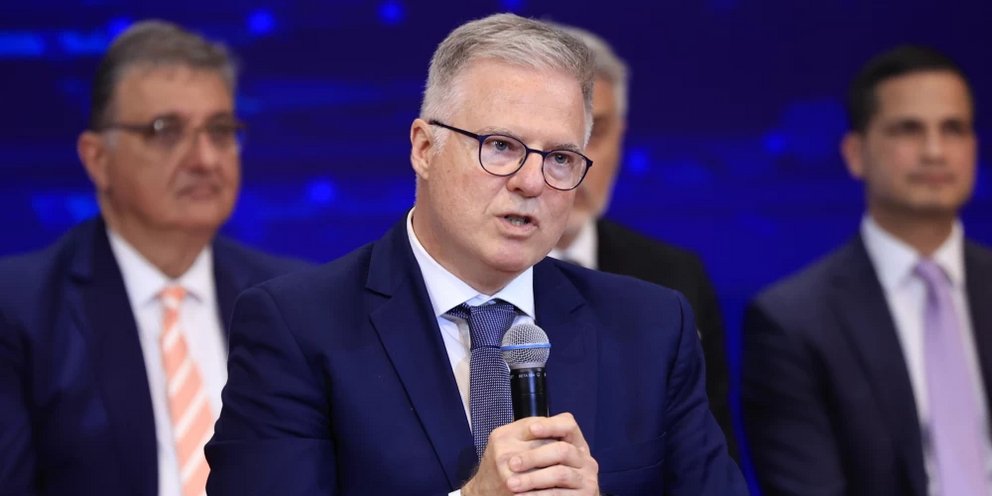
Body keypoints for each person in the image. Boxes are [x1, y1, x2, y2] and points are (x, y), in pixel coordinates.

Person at [206, 13, 745, 495]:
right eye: (502, 146)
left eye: (560, 157)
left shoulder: (652, 328)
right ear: (424, 148)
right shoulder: (297, 328)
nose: (532, 181)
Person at [0, 21, 308, 496]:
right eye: (166, 131)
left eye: (220, 131)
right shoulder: (20, 311)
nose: (205, 159)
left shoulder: (298, 301)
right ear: (97, 159)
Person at [742, 45, 989, 496]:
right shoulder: (792, 322)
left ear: (973, 148)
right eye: (908, 130)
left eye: (952, 129)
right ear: (855, 153)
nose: (935, 151)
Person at [549, 25, 735, 456]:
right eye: (557, 138)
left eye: (596, 131)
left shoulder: (676, 278)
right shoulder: (462, 278)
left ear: (622, 135)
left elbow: (712, 458)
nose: (577, 160)